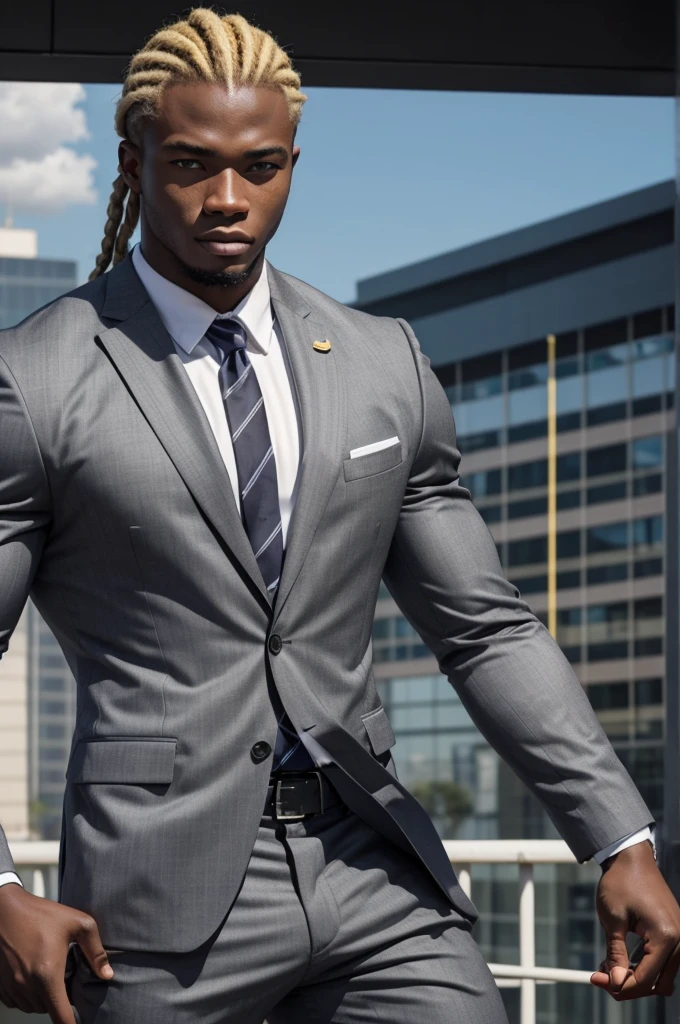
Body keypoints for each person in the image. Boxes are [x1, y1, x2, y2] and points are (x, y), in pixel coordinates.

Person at [0, 8, 678, 1022]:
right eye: (190, 164)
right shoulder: (37, 375)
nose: (227, 199)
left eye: (259, 166)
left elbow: (480, 626)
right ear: (133, 159)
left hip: (376, 872)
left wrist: (617, 835)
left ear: (291, 162)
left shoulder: (378, 360)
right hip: (154, 905)